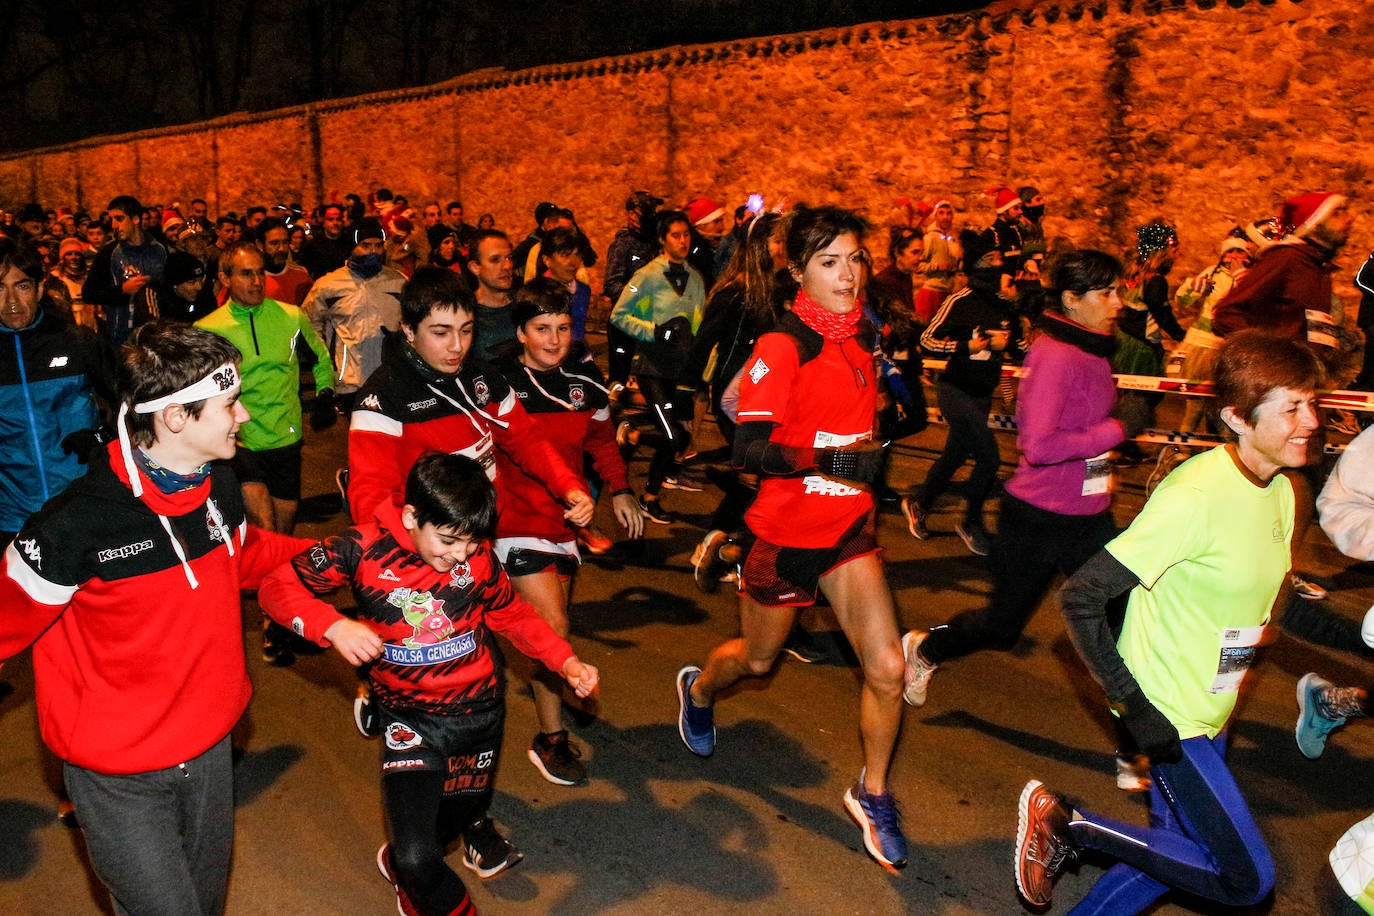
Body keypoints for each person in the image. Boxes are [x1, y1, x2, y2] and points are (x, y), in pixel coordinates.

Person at [0, 322, 311, 915]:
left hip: (212, 750)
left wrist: (344, 554)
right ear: (175, 418)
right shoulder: (74, 527)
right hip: (118, 777)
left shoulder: (218, 484)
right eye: (229, 403)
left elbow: (244, 559)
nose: (243, 416)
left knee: (202, 903)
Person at [1014, 330, 1324, 913]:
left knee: (1173, 857)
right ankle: (1070, 825)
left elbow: (1276, 596)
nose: (1310, 420)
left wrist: (1356, 637)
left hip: (1214, 705)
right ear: (1237, 417)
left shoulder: (1282, 488)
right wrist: (1136, 709)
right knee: (1244, 879)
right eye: (1292, 407)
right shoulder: (1194, 497)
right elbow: (1080, 599)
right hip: (1168, 713)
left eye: (1312, 402)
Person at [259, 452, 599, 915]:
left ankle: (405, 870)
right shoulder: (358, 549)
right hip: (409, 720)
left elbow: (514, 615)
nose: (461, 554)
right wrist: (333, 625)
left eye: (472, 542)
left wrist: (566, 661)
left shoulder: (475, 557)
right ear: (411, 516)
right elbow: (276, 586)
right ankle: (416, 875)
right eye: (448, 541)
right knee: (419, 857)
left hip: (479, 716)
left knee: (442, 835)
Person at [675, 206, 910, 871]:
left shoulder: (861, 335)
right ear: (799, 271)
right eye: (831, 262)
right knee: (756, 661)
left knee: (888, 668)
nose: (849, 274)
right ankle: (698, 690)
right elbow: (747, 451)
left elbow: (857, 422)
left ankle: (873, 793)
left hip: (847, 531)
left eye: (856, 258)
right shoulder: (781, 345)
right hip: (783, 535)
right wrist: (829, 461)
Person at [490, 278, 642, 785]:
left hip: (565, 524)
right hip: (512, 523)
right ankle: (550, 739)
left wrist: (619, 489)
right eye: (541, 330)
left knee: (545, 631)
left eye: (562, 329)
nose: (553, 341)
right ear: (521, 331)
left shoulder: (584, 379)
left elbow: (600, 439)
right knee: (554, 628)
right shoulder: (498, 382)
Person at [901, 227, 1022, 556]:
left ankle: (919, 503)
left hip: (983, 392)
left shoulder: (1004, 307)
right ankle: (970, 521)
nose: (998, 266)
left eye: (999, 259)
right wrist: (964, 346)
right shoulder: (959, 301)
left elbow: (1024, 349)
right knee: (989, 457)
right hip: (955, 391)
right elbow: (926, 339)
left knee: (955, 455)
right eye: (991, 260)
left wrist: (1010, 341)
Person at [0, 237, 117, 542]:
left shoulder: (76, 342)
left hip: (83, 506)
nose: (11, 300)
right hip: (10, 518)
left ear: (40, 288)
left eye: (22, 286)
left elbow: (136, 403)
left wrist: (104, 439)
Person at [610, 209, 707, 524]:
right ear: (663, 240)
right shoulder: (648, 276)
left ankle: (650, 497)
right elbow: (619, 315)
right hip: (651, 366)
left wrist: (701, 369)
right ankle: (631, 434)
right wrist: (654, 331)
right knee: (672, 438)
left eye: (686, 234)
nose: (682, 241)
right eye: (675, 235)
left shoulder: (695, 278)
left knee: (678, 437)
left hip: (680, 372)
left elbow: (700, 325)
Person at [301, 217, 405, 409]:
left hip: (390, 379)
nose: (373, 252)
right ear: (353, 247)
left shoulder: (398, 282)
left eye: (378, 245)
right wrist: (327, 366)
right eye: (365, 245)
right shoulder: (329, 285)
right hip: (350, 381)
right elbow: (309, 327)